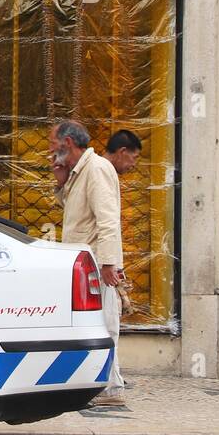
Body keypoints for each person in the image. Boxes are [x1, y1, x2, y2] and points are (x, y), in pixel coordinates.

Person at [49, 120, 126, 405]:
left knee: (105, 323)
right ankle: (106, 384)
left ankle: (111, 388)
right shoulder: (80, 172)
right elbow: (78, 213)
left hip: (97, 265)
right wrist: (61, 183)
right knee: (97, 324)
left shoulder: (97, 169)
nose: (50, 150)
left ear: (67, 144)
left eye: (52, 144)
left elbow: (108, 220)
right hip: (86, 266)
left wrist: (109, 264)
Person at [103, 129, 143, 324]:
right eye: (133, 157)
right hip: (102, 269)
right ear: (122, 151)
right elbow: (106, 219)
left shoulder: (103, 170)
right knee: (109, 325)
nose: (134, 164)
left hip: (103, 265)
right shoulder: (102, 170)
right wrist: (110, 263)